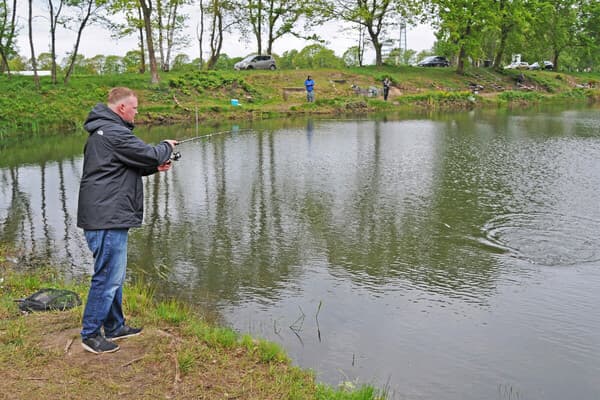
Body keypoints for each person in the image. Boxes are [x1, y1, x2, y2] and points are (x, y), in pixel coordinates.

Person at [77, 87, 177, 354]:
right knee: (107, 277)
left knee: (114, 276)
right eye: (134, 108)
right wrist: (165, 147)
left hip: (106, 214)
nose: (136, 113)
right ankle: (90, 334)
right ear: (122, 108)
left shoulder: (104, 131)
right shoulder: (113, 132)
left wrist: (154, 167)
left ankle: (115, 326)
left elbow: (122, 167)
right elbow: (151, 152)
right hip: (106, 216)